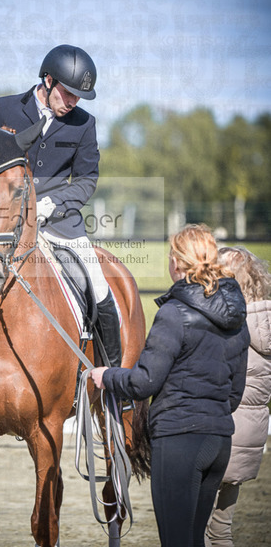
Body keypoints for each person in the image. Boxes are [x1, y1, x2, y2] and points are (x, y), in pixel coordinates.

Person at [0, 44, 122, 409]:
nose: (73, 102)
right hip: (0, 222)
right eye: (68, 92)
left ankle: (113, 384)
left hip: (58, 222)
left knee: (100, 290)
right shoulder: (3, 109)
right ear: (47, 80)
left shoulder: (84, 124)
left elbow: (87, 180)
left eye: (80, 96)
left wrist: (52, 204)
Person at [90, 224, 250, 547]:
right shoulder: (236, 317)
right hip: (219, 442)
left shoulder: (174, 314)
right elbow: (235, 392)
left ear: (177, 263)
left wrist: (106, 376)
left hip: (179, 443)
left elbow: (143, 382)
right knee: (194, 539)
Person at [205, 246, 271, 547]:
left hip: (222, 430)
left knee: (196, 527)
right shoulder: (265, 323)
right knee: (221, 531)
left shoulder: (231, 323)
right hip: (251, 435)